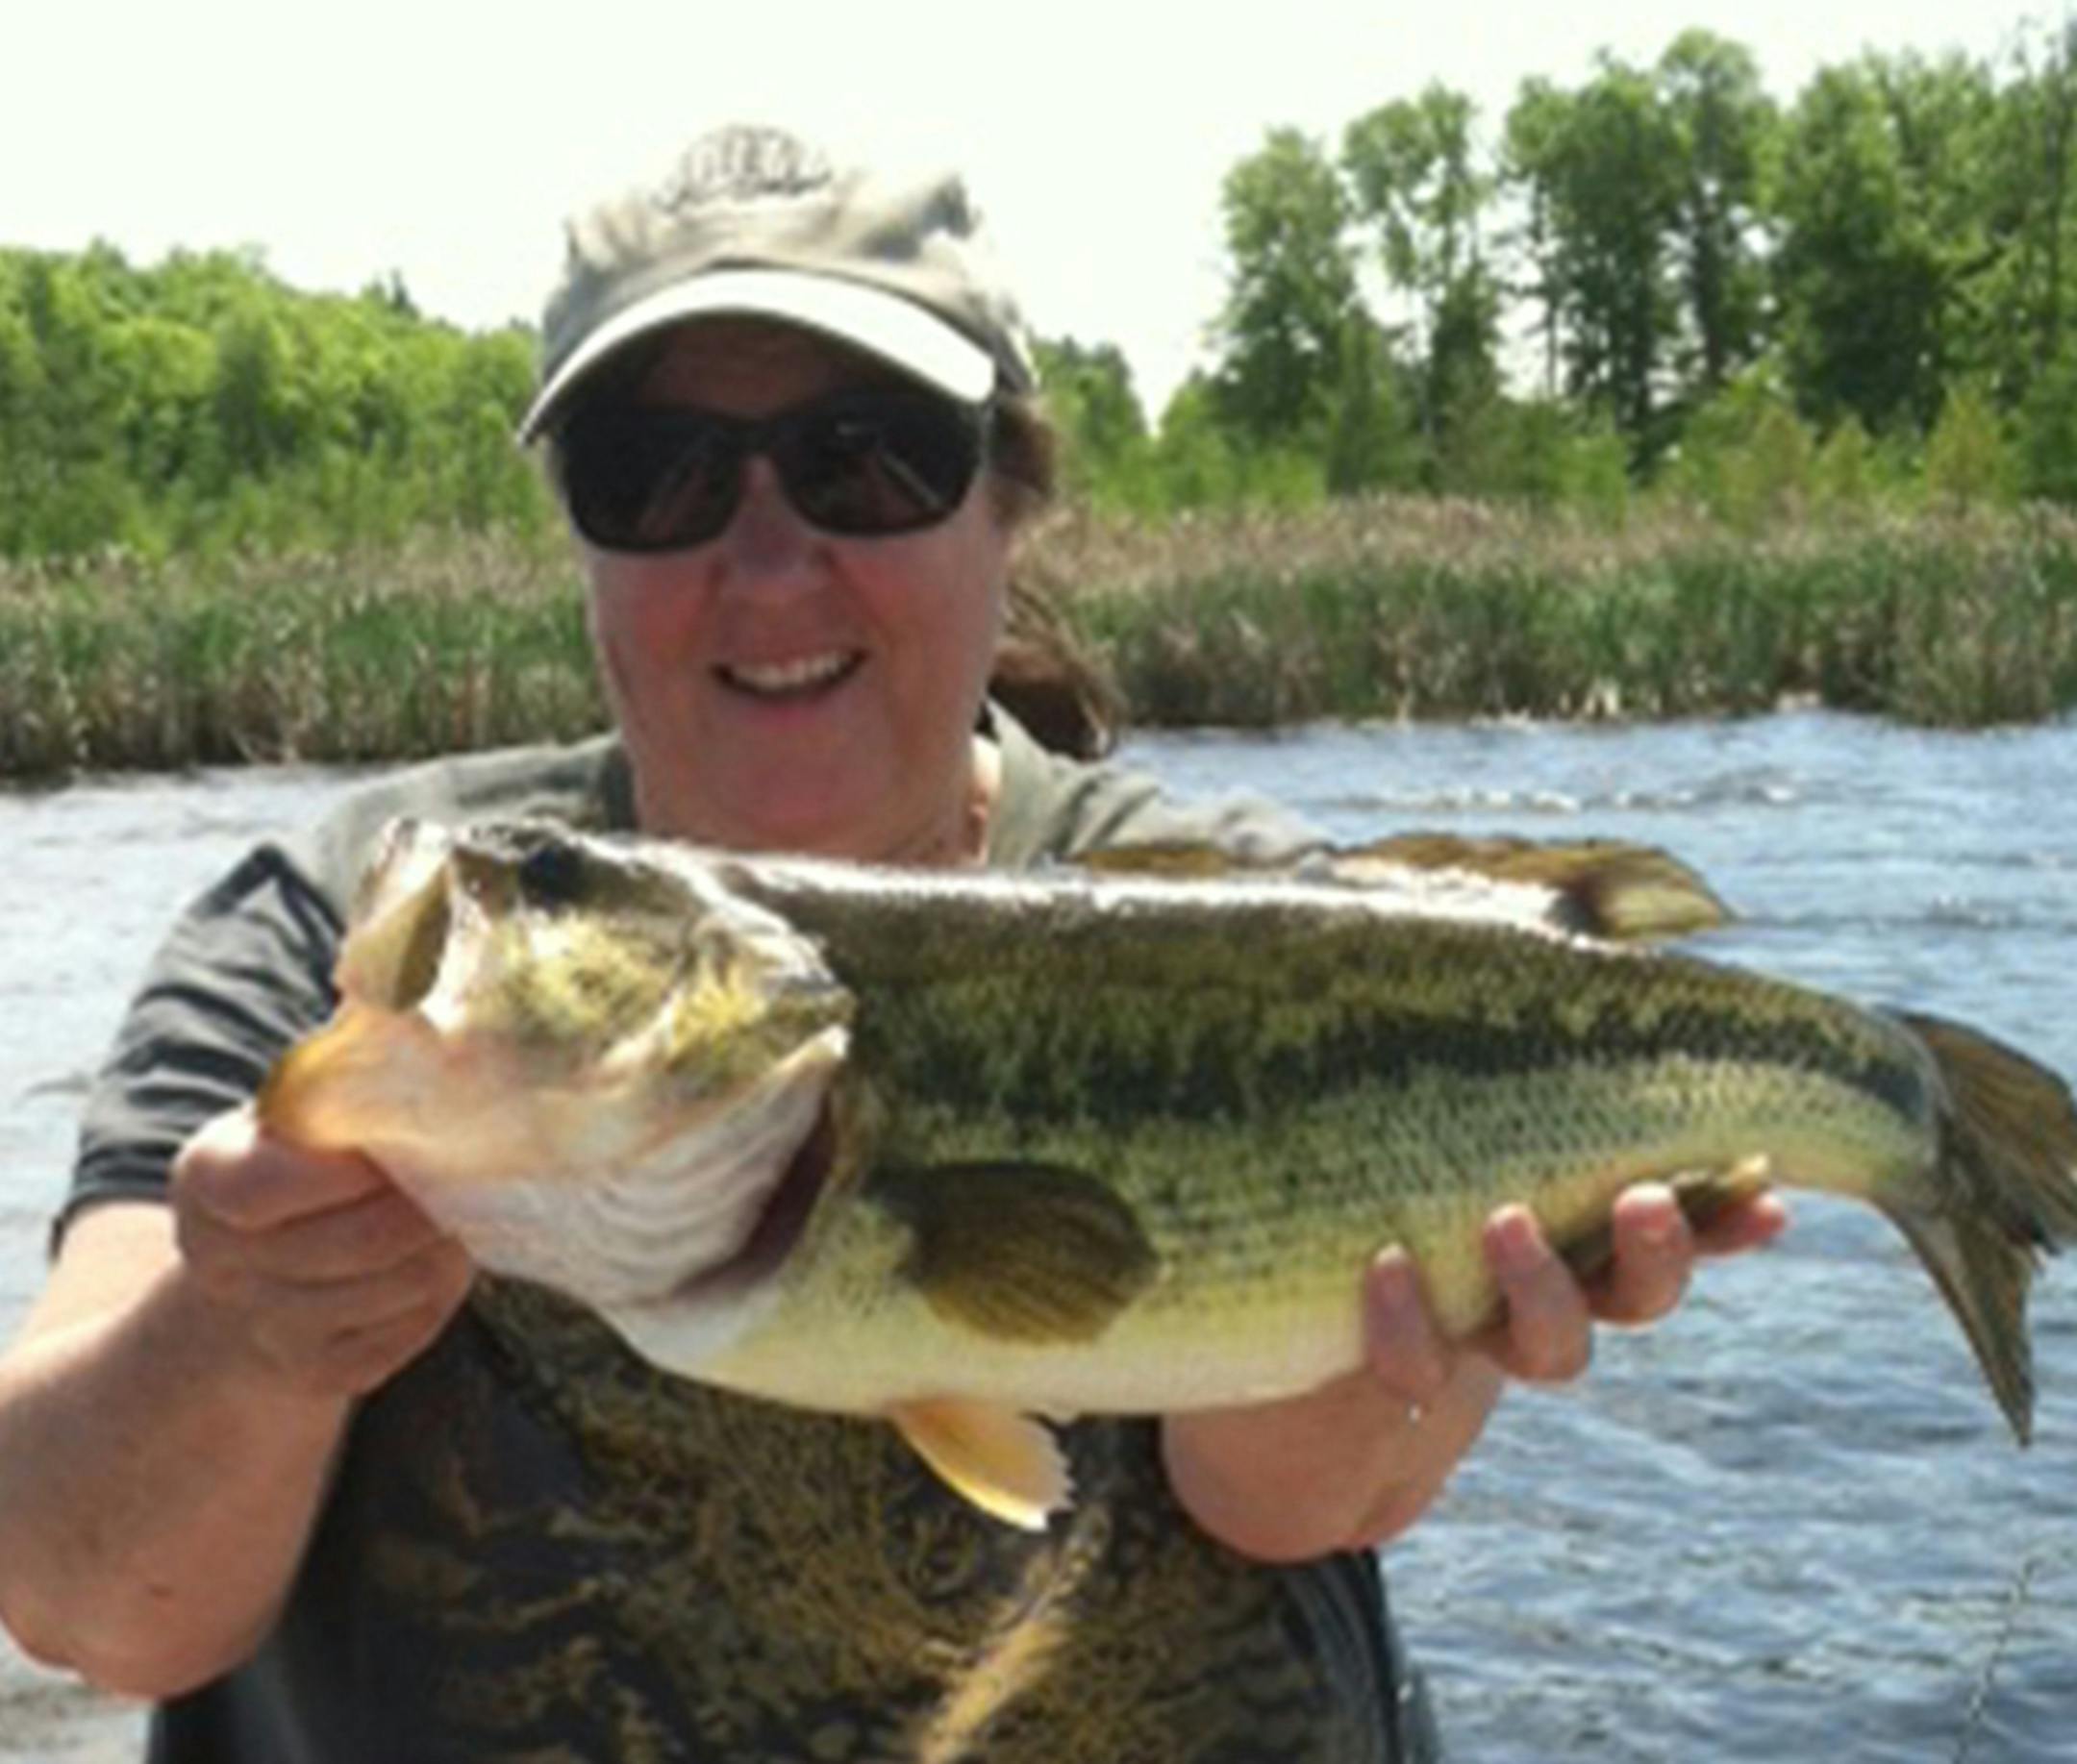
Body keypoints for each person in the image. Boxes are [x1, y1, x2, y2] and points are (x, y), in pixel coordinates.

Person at [0, 125, 1785, 1762]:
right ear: (581, 542)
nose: (768, 567)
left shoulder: (1255, 940)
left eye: (867, 462)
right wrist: (242, 1339)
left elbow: (1288, 1501)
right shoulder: (338, 922)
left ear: (1008, 502)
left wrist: (1435, 1341)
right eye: (656, 472)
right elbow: (88, 1597)